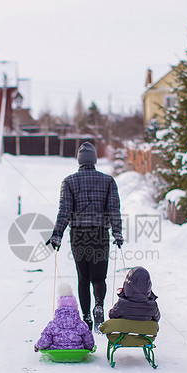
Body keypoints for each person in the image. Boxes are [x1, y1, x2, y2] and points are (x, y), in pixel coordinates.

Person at [46, 141, 123, 330]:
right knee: (99, 277)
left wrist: (57, 235)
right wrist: (117, 232)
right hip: (100, 235)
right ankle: (99, 306)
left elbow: (64, 211)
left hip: (79, 235)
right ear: (94, 160)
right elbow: (114, 209)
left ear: (79, 161)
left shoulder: (69, 181)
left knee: (83, 278)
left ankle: (87, 317)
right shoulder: (108, 181)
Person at [34, 283, 95, 351]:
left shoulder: (53, 325)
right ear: (75, 307)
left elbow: (45, 340)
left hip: (57, 351)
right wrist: (89, 347)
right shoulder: (81, 325)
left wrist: (38, 346)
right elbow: (89, 342)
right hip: (77, 351)